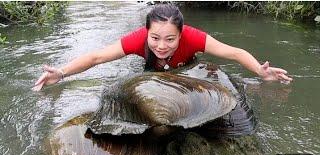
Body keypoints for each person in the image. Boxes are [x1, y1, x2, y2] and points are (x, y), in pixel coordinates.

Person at [32, 4, 292, 91]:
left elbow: (234, 52)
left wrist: (260, 71)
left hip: (187, 72)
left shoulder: (194, 38)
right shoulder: (138, 40)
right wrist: (62, 73)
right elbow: (96, 57)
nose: (161, 46)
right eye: (155, 38)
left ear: (181, 34)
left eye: (170, 39)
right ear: (147, 32)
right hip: (151, 74)